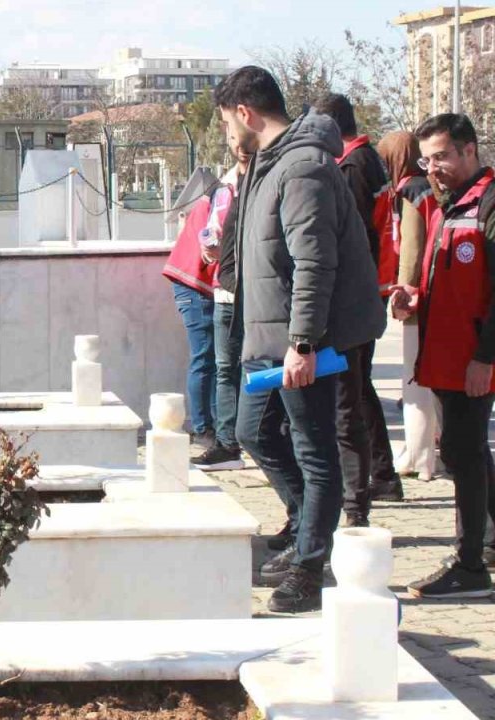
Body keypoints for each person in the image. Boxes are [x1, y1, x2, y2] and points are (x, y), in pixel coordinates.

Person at [216, 67, 385, 613]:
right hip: (267, 334)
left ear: (245, 113)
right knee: (253, 431)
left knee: (315, 451)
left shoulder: (302, 166)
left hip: (303, 339)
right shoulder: (267, 164)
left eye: (226, 122)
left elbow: (314, 262)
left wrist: (304, 342)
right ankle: (306, 524)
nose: (227, 134)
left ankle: (310, 568)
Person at [391, 113, 495, 597]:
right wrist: (413, 297)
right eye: (426, 161)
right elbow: (448, 279)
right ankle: (486, 544)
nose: (432, 168)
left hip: (473, 359)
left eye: (441, 157)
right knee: (465, 449)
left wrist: (485, 358)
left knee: (462, 452)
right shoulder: (446, 205)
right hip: (445, 357)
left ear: (469, 150)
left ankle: (469, 566)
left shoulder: (487, 204)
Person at [312, 93, 403, 525]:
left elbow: (351, 237)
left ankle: (365, 490)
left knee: (351, 400)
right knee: (361, 391)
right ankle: (382, 476)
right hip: (370, 289)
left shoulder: (351, 167)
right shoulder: (367, 159)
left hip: (357, 295)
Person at [378, 130, 441, 484]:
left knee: (415, 382)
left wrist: (402, 294)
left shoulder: (410, 192)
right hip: (438, 292)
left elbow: (412, 248)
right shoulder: (430, 186)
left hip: (418, 296)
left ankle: (418, 455)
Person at [193, 139, 252, 473]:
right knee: (226, 368)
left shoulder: (269, 181)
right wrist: (209, 249)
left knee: (258, 366)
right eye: (234, 140)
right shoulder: (225, 187)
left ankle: (263, 439)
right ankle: (228, 443)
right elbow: (211, 232)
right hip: (226, 291)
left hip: (260, 293)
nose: (241, 147)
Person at [162, 193, 219, 448]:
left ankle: (212, 428)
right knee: (206, 357)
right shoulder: (224, 197)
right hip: (195, 284)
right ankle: (204, 429)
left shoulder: (218, 195)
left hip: (194, 283)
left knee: (212, 359)